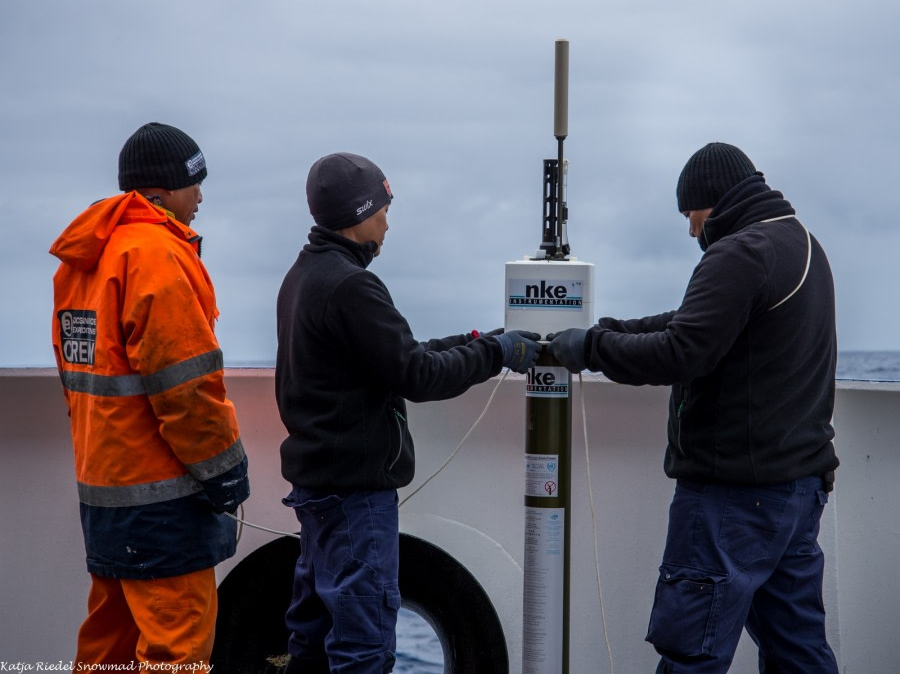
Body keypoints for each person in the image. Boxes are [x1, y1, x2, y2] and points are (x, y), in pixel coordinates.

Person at [549, 142, 840, 673]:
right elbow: (693, 319)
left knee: (692, 654)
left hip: (733, 500)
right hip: (797, 490)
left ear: (715, 201)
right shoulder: (800, 242)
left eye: (691, 214)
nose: (690, 231)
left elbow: (683, 350)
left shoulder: (739, 252)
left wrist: (586, 350)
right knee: (799, 653)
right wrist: (608, 331)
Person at [275, 152, 541, 673]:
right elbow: (418, 375)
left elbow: (398, 356)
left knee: (311, 638)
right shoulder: (352, 286)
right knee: (363, 646)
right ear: (360, 212)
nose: (388, 222)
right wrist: (498, 353)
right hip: (355, 497)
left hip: (318, 491)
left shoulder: (305, 275)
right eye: (383, 209)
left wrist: (478, 340)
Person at [50, 122, 250, 667]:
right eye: (195, 184)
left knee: (107, 647)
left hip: (104, 493)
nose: (202, 196)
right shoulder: (157, 257)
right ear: (158, 194)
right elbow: (186, 388)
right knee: (176, 650)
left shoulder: (84, 260)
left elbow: (81, 378)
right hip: (163, 504)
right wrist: (224, 471)